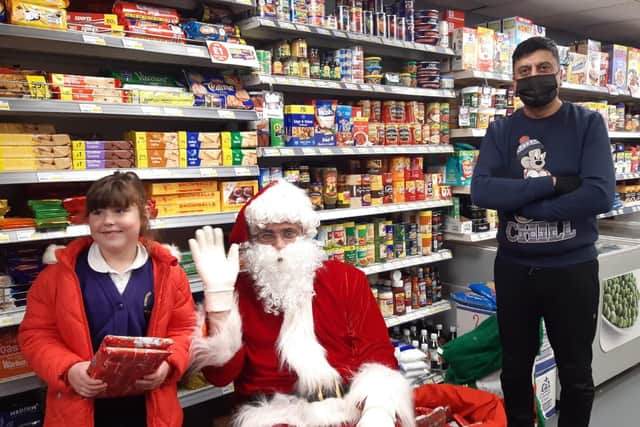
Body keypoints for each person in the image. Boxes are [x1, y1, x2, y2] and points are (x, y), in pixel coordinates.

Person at [471, 37, 615, 427]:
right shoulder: (501, 130)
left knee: (576, 372)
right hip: (515, 269)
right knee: (515, 369)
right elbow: (482, 191)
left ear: (559, 74)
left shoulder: (586, 123)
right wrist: (551, 184)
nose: (534, 77)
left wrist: (520, 204)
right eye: (524, 72)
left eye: (543, 68)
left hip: (572, 269)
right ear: (514, 82)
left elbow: (600, 194)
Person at [188, 179, 414, 427]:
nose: (279, 245)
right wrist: (219, 298)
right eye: (267, 235)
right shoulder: (240, 290)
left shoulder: (347, 279)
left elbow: (377, 352)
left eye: (288, 233)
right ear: (253, 242)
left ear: (305, 234)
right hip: (269, 415)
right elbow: (221, 377)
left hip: (349, 409)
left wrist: (378, 410)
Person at [18, 171, 195, 427]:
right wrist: (68, 370)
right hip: (78, 409)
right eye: (98, 212)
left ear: (143, 215)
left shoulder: (170, 274)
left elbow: (185, 329)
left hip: (150, 411)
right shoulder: (57, 276)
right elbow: (36, 334)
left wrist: (167, 365)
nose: (108, 221)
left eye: (120, 211)